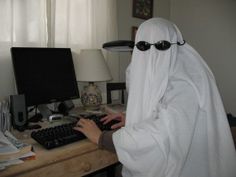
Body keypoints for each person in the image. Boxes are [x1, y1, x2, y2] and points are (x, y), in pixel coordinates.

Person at [74, 18, 236, 177]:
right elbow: (163, 109)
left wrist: (101, 137)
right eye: (141, 46)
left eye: (144, 46)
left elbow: (161, 136)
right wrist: (132, 118)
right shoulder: (178, 70)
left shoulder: (185, 83)